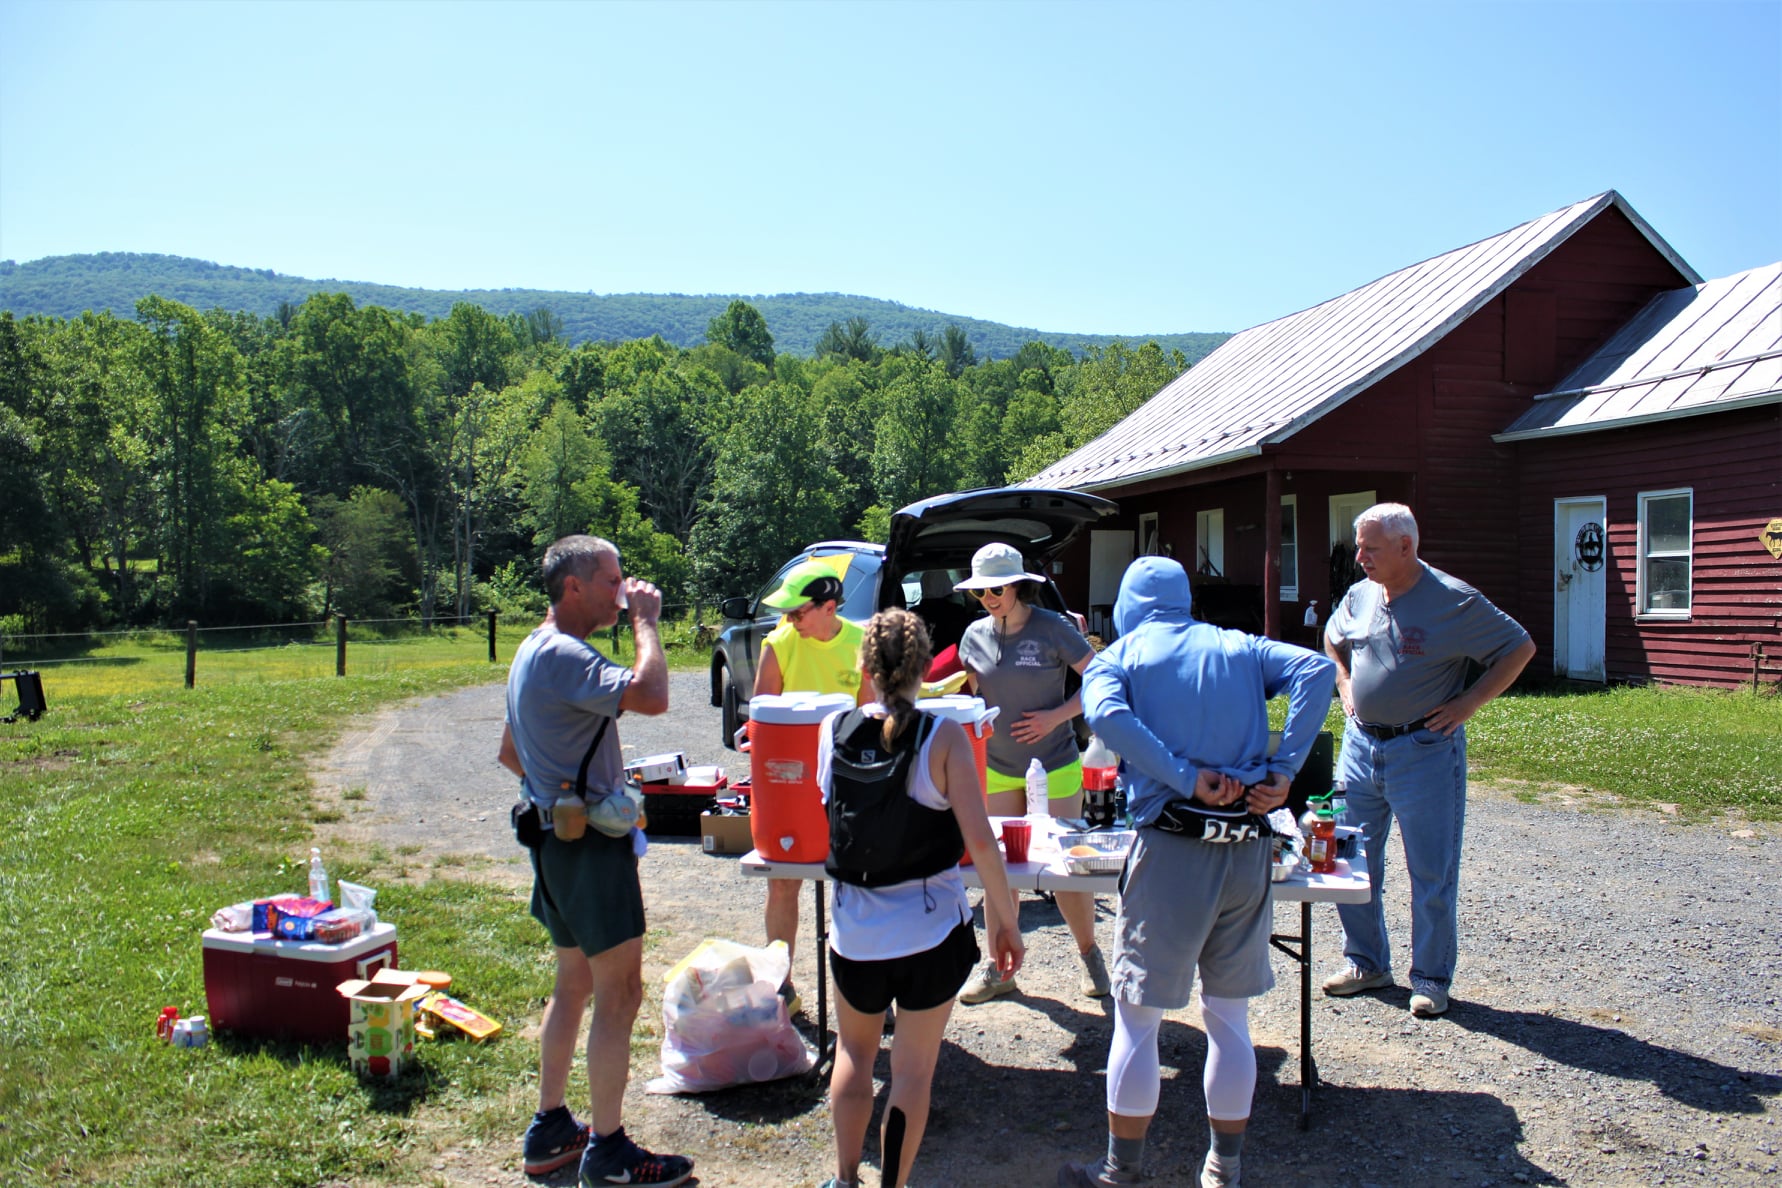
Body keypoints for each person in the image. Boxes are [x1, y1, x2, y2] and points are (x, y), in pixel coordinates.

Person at [1059, 555, 1335, 1188]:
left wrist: (1183, 776)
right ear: (1184, 599)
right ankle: (1222, 1169)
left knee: (1137, 1017)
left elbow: (1104, 718)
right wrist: (1283, 769)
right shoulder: (1237, 645)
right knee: (1229, 1019)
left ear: (1129, 602)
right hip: (1246, 849)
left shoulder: (1118, 658)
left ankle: (1120, 1172)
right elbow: (1318, 669)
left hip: (1174, 848)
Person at [496, 535, 693, 1187]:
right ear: (573, 587)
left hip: (554, 841)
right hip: (589, 852)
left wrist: (559, 791)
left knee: (573, 984)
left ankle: (550, 1128)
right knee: (620, 993)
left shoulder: (531, 648)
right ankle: (608, 1151)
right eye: (612, 582)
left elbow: (509, 752)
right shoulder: (564, 653)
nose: (623, 589)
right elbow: (655, 692)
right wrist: (645, 622)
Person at [817, 608, 1024, 1188]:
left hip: (855, 932)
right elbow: (982, 844)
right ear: (924, 667)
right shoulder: (945, 736)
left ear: (864, 665)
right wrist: (1006, 922)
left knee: (854, 1057)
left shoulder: (831, 730)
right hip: (932, 933)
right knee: (912, 1074)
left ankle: (844, 1177)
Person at [1321, 502, 1535, 1018]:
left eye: (1371, 547)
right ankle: (1368, 964)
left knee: (1431, 872)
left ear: (1405, 546)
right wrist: (1345, 682)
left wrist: (1469, 703)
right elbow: (1332, 636)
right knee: (1352, 861)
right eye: (1359, 545)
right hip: (1360, 747)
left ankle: (1431, 978)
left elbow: (1518, 647)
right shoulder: (1361, 594)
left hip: (1424, 752)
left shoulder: (1453, 600)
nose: (1360, 556)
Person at [951, 541, 1107, 1003]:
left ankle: (1090, 956)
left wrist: (1056, 716)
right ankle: (1001, 971)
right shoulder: (973, 635)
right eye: (980, 592)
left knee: (1065, 868)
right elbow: (964, 695)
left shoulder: (1053, 628)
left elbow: (1100, 679)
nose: (989, 598)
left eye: (996, 588)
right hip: (997, 768)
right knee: (999, 870)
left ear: (1018, 585)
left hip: (1056, 763)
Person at [753, 559, 866, 1016]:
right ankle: (780, 985)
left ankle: (865, 990)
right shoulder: (778, 644)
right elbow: (761, 717)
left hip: (848, 783)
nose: (790, 621)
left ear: (829, 607)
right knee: (783, 884)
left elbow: (874, 721)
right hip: (791, 782)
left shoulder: (862, 643)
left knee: (854, 887)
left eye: (798, 612)